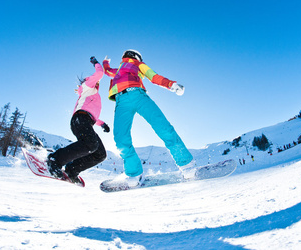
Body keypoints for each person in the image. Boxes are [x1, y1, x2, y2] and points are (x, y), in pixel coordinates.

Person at [103, 49, 194, 187]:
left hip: (138, 95)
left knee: (163, 127)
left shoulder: (138, 65)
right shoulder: (118, 69)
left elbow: (153, 76)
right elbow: (107, 71)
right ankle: (134, 173)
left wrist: (171, 85)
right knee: (120, 138)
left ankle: (186, 164)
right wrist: (104, 63)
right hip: (121, 102)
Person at [47, 56, 109, 186]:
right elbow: (99, 73)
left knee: (100, 154)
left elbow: (91, 114)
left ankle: (72, 169)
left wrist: (102, 124)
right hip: (80, 119)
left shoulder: (92, 94)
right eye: (96, 81)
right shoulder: (87, 86)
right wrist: (96, 63)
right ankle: (55, 159)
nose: (97, 83)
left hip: (86, 121)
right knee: (91, 144)